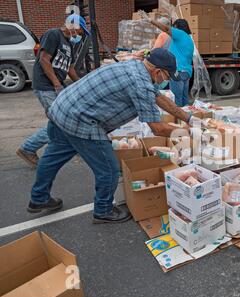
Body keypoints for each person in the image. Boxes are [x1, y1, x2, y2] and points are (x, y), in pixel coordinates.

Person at [27, 48, 198, 224]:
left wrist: (190, 118)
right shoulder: (140, 83)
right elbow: (158, 129)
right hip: (81, 121)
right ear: (158, 71)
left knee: (53, 157)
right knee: (109, 169)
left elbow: (159, 98)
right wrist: (189, 132)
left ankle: (38, 198)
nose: (166, 81)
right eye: (167, 76)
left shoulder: (134, 67)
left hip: (62, 108)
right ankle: (103, 211)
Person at [16, 14, 88, 168]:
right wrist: (56, 83)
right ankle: (28, 148)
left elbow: (69, 68)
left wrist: (83, 84)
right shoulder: (53, 34)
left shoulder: (70, 43)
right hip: (46, 85)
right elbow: (43, 59)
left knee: (68, 117)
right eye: (81, 31)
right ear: (73, 25)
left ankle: (74, 147)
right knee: (59, 122)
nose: (80, 35)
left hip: (57, 84)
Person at [150, 18, 194, 107]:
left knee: (176, 99)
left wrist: (152, 21)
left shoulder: (180, 34)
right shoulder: (189, 38)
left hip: (178, 71)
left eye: (173, 27)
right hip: (187, 72)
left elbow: (166, 29)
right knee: (184, 98)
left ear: (176, 27)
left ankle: (177, 119)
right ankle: (185, 118)